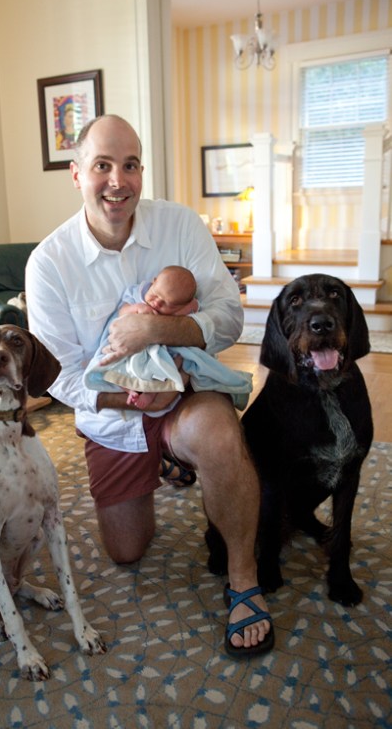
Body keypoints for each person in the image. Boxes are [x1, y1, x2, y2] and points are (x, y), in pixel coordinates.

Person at [25, 114, 274, 657]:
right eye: (102, 166)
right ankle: (166, 461)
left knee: (218, 437)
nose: (118, 181)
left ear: (142, 171)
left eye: (131, 165)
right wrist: (134, 397)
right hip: (114, 417)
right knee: (126, 551)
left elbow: (230, 316)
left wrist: (158, 331)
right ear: (76, 174)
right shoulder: (48, 263)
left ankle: (244, 579)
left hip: (186, 394)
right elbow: (59, 375)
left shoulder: (180, 225)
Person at [93, 265, 200, 410]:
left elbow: (193, 310)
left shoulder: (181, 307)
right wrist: (136, 308)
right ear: (153, 282)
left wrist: (183, 308)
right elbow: (121, 311)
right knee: (113, 364)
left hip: (157, 350)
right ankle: (129, 389)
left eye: (167, 304)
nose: (157, 303)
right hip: (128, 346)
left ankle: (151, 392)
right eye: (155, 295)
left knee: (172, 365)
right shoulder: (137, 293)